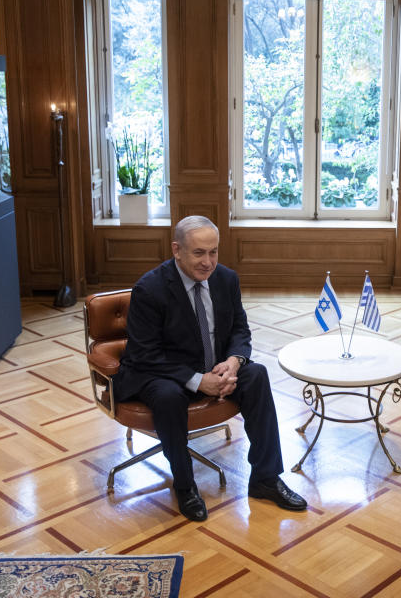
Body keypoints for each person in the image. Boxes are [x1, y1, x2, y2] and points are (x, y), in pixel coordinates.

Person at [113, 215, 306, 521]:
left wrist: (233, 362)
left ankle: (265, 479)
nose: (208, 262)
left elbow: (240, 330)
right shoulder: (150, 289)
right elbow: (145, 355)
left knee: (256, 375)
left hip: (215, 367)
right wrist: (197, 381)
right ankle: (186, 486)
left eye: (213, 252)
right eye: (198, 253)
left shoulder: (226, 279)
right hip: (162, 373)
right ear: (177, 250)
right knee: (168, 397)